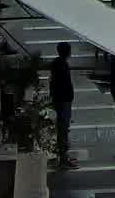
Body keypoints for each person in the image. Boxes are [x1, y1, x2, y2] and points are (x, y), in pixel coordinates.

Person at [49, 42, 77, 170]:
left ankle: (63, 157)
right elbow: (65, 85)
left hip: (59, 100)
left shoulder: (56, 64)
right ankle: (63, 159)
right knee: (63, 129)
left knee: (62, 129)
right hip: (63, 101)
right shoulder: (62, 66)